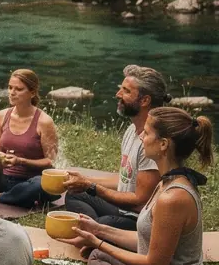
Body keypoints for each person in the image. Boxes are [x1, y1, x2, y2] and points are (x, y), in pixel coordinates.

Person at [61, 107, 211, 265]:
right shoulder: (166, 182)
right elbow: (144, 240)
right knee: (98, 256)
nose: (141, 136)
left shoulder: (174, 197)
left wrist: (98, 241)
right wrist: (98, 229)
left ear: (163, 144)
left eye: (147, 133)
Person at [62, 65, 167, 230]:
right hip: (121, 209)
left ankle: (98, 232)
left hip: (139, 220)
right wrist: (83, 181)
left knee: (105, 222)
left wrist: (91, 187)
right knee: (75, 195)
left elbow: (140, 200)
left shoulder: (153, 141)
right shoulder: (132, 130)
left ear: (145, 100)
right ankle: (97, 232)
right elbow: (125, 179)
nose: (118, 95)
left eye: (126, 91)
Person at [0, 69, 59, 208]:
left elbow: (50, 161)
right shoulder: (1, 116)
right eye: (10, 87)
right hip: (5, 178)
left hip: (32, 181)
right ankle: (15, 197)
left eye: (18, 89)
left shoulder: (44, 121)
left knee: (40, 185)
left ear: (32, 93)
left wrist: (20, 161)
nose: (11, 92)